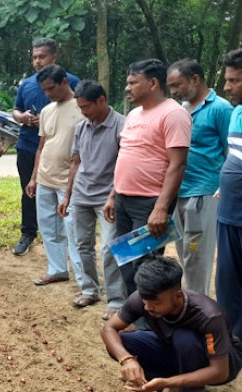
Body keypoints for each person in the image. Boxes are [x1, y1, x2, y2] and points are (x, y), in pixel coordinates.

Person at [103, 59, 191, 297]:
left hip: (150, 203)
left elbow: (178, 164)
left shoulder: (173, 114)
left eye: (133, 82)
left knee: (145, 267)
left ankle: (149, 324)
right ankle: (136, 315)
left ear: (152, 83)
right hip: (123, 200)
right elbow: (126, 155)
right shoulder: (133, 115)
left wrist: (161, 207)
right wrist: (113, 195)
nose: (127, 88)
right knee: (126, 264)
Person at [100, 256, 242, 392]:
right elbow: (109, 328)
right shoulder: (143, 299)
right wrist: (126, 359)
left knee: (184, 339)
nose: (148, 308)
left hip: (222, 361)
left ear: (178, 295)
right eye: (144, 301)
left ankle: (184, 388)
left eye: (156, 303)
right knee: (122, 343)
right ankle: (158, 383)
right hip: (175, 349)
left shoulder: (209, 316)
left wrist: (170, 382)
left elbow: (220, 372)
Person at [58, 80, 125, 318]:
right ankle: (89, 289)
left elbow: (125, 166)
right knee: (82, 245)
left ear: (102, 100)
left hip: (107, 197)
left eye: (87, 107)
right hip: (82, 195)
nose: (84, 112)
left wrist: (112, 196)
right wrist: (67, 195)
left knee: (110, 248)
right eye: (80, 108)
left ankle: (117, 300)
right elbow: (76, 163)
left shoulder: (121, 126)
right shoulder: (81, 127)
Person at [166, 59, 232, 296]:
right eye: (170, 87)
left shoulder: (221, 109)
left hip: (204, 194)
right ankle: (194, 300)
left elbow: (231, 150)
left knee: (196, 253)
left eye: (177, 85)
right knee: (185, 250)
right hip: (179, 192)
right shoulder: (180, 110)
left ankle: (198, 306)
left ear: (195, 79)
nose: (173, 92)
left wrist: (223, 188)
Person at [12, 38, 80, 256]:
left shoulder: (73, 82)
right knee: (29, 191)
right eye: (34, 57)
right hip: (29, 145)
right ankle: (28, 233)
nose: (38, 61)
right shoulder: (26, 84)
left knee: (65, 195)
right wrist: (22, 117)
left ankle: (69, 240)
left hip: (63, 151)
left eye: (42, 56)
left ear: (54, 57)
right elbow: (15, 110)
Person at [26, 65, 86, 292]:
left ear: (64, 82)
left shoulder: (82, 107)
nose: (48, 94)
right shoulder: (47, 110)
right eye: (45, 90)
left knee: (73, 230)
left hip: (69, 182)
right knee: (48, 227)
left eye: (51, 88)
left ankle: (84, 280)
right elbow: (41, 147)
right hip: (45, 178)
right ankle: (57, 269)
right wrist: (33, 178)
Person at [217, 48, 242, 338]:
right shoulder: (236, 112)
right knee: (227, 282)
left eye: (234, 81)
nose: (227, 87)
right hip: (228, 212)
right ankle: (232, 341)